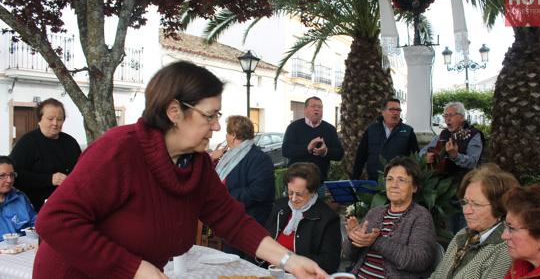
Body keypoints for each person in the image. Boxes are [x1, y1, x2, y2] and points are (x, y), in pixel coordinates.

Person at [33, 61, 327, 279]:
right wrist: (135, 268)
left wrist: (289, 260)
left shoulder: (195, 163)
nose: (215, 127)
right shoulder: (119, 151)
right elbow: (54, 221)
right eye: (209, 116)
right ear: (174, 112)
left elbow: (232, 221)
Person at [343, 156, 437, 278]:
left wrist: (376, 241)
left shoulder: (421, 216)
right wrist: (354, 239)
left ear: (414, 187)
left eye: (401, 180)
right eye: (390, 179)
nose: (394, 185)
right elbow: (350, 255)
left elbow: (419, 260)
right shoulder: (375, 212)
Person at [430, 163, 519, 279]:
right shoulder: (462, 234)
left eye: (476, 205)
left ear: (499, 207)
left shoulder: (504, 248)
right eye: (465, 202)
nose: (466, 211)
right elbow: (437, 275)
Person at [264, 162, 342, 274]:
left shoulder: (328, 218)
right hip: (270, 270)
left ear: (312, 192)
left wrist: (288, 261)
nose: (293, 199)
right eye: (290, 192)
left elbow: (330, 263)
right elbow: (265, 237)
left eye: (299, 194)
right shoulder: (280, 206)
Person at [217, 115, 275, 260]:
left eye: (227, 132)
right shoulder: (230, 155)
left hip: (249, 222)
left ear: (234, 135)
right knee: (231, 265)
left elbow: (258, 192)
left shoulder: (259, 158)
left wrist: (225, 198)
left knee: (246, 268)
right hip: (231, 220)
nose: (226, 136)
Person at [420, 102, 483, 232]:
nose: (447, 119)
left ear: (461, 117)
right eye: (445, 115)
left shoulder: (474, 135)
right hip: (445, 190)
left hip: (465, 188)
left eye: (451, 115)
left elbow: (472, 162)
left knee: (465, 226)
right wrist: (425, 156)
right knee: (449, 228)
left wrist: (455, 156)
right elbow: (423, 151)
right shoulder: (443, 135)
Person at [9, 98, 81, 212]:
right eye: (50, 119)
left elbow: (81, 171)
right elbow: (16, 176)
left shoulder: (70, 142)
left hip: (68, 204)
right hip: (36, 209)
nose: (55, 123)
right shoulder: (27, 142)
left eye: (59, 119)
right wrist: (49, 179)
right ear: (39, 119)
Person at [352, 99, 419, 180]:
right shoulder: (371, 130)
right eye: (392, 109)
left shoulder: (408, 131)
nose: (395, 112)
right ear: (383, 112)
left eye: (398, 110)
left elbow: (415, 157)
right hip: (374, 181)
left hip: (398, 180)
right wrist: (355, 179)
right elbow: (361, 156)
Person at [282, 96, 344, 185]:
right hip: (296, 180)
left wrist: (325, 152)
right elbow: (286, 151)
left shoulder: (330, 129)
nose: (317, 109)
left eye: (320, 107)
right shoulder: (294, 127)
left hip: (319, 181)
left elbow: (339, 154)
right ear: (305, 109)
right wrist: (307, 148)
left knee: (318, 199)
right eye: (313, 106)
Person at [0, 156, 36, 239]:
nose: (9, 180)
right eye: (2, 175)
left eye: (12, 175)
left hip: (24, 249)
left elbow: (35, 224)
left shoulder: (20, 198)